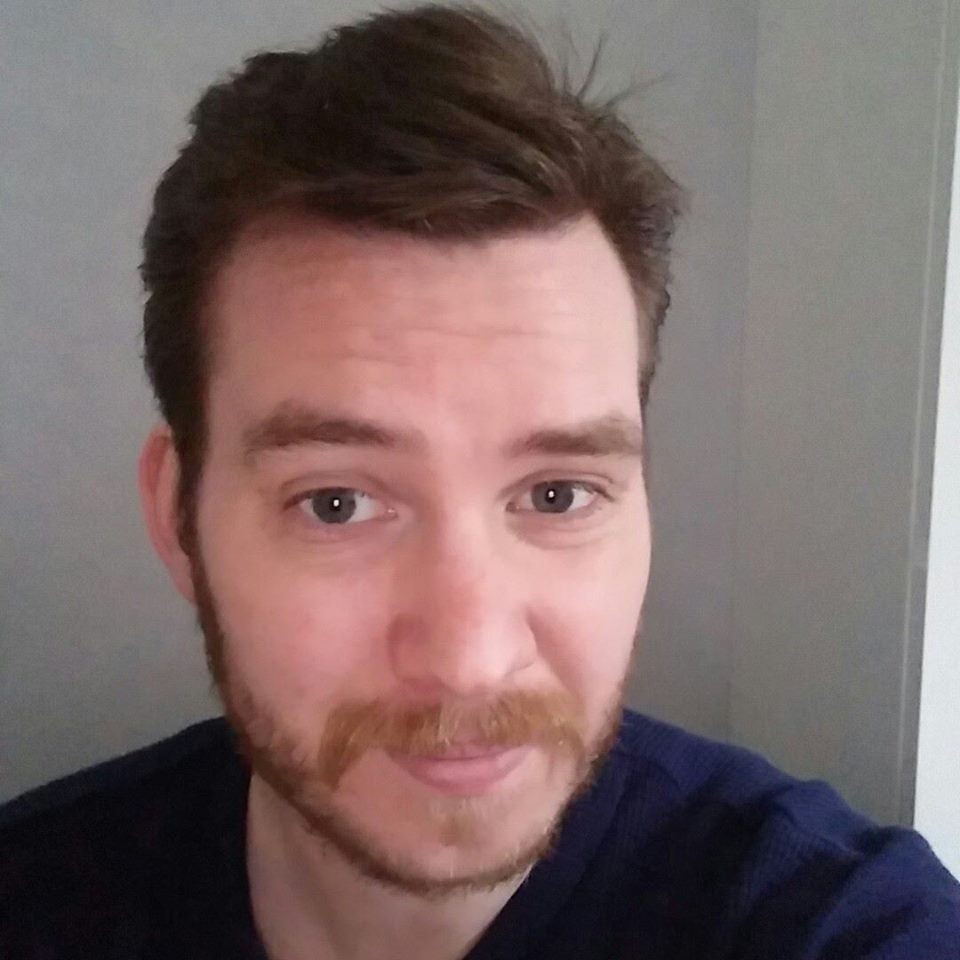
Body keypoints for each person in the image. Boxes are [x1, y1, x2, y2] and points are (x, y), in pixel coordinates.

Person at [2, 4, 958, 958]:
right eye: (337, 503)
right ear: (178, 516)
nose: (470, 660)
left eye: (556, 495)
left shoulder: (832, 922)